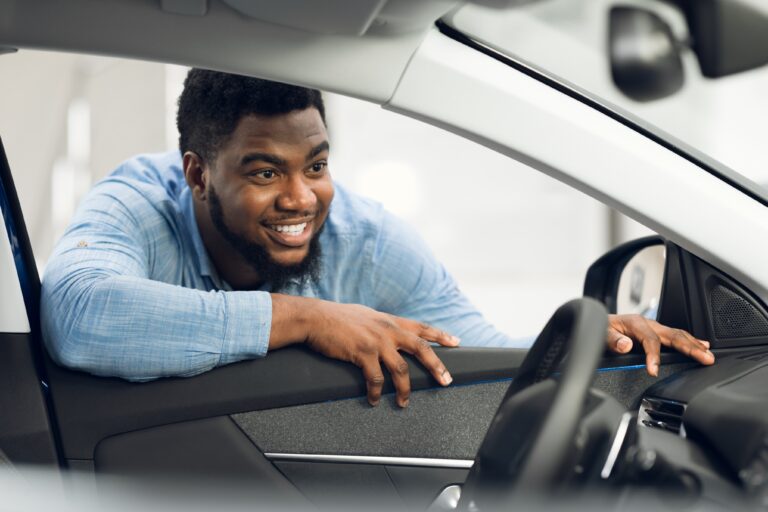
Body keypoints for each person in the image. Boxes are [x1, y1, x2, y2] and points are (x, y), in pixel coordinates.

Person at [40, 69, 714, 408]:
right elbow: (78, 314)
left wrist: (597, 339)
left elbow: (473, 351)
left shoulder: (368, 240)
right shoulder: (139, 204)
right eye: (265, 172)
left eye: (318, 166)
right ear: (197, 173)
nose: (301, 198)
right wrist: (305, 318)